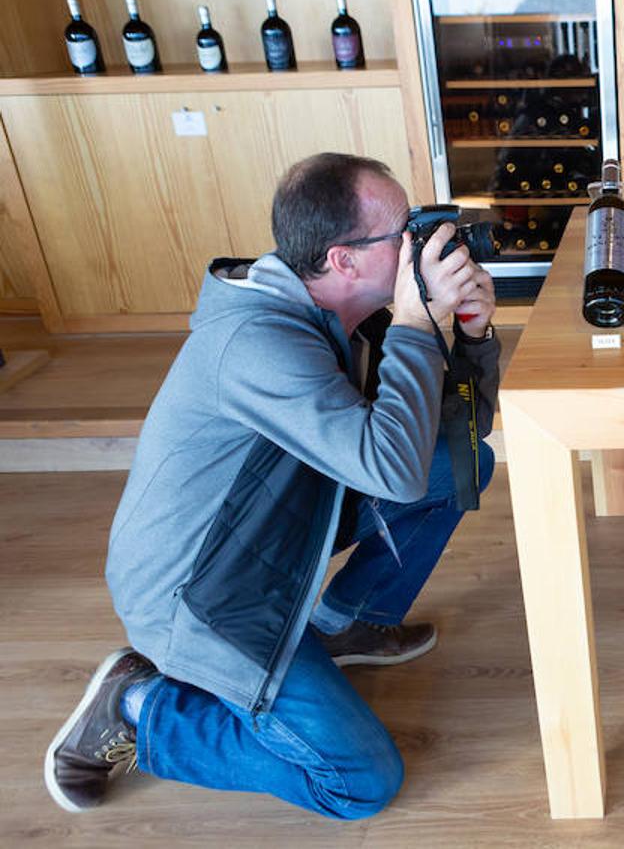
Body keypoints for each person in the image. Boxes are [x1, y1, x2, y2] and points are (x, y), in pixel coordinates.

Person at [44, 153, 501, 819]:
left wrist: (471, 335)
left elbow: (460, 442)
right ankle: (139, 709)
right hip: (201, 596)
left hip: (277, 526)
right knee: (360, 782)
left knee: (461, 467)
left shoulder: (345, 309)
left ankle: (346, 626)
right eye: (406, 233)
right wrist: (412, 324)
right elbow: (390, 470)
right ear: (342, 259)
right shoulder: (259, 343)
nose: (424, 246)